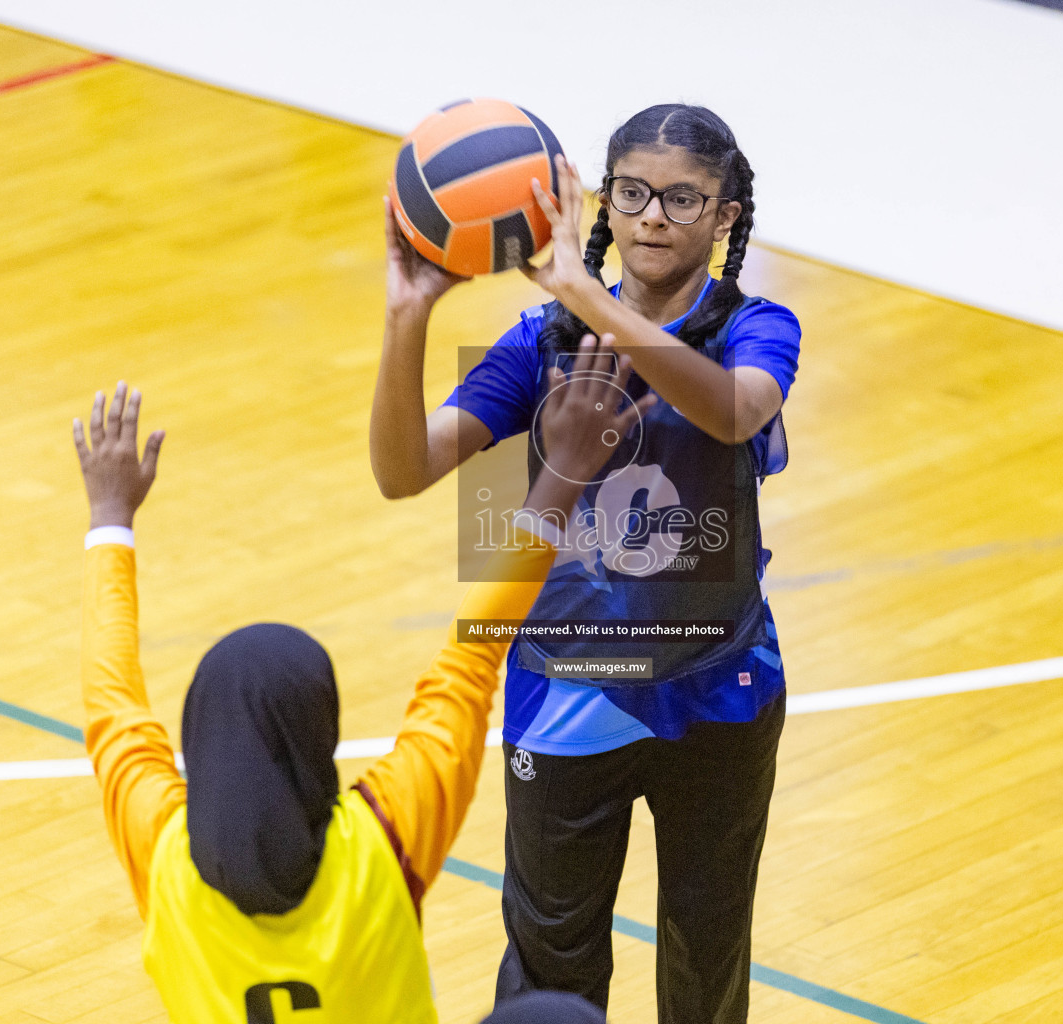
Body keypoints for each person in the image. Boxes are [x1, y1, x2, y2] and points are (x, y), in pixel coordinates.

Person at [371, 104, 801, 1022]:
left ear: (726, 217)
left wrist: (586, 294)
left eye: (683, 199)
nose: (652, 215)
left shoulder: (758, 328)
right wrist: (408, 316)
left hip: (720, 687)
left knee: (708, 953)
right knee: (552, 968)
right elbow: (402, 471)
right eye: (635, 192)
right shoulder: (542, 342)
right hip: (569, 692)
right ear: (604, 198)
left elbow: (733, 411)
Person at [74, 362, 639, 1023]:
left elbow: (109, 703)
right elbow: (473, 657)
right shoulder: (381, 844)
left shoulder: (162, 852)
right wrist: (565, 473)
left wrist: (109, 517)